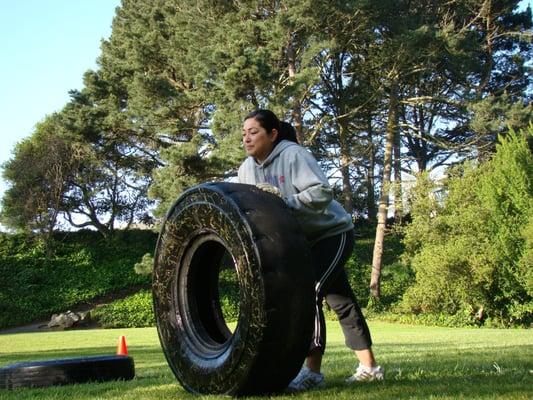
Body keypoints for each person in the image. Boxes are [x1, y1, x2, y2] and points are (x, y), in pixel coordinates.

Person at [238, 109, 384, 392]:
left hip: (332, 233)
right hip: (300, 242)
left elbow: (321, 192)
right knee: (341, 301)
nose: (246, 138)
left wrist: (285, 202)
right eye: (243, 133)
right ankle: (370, 368)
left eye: (253, 132)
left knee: (310, 292)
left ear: (272, 134)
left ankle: (312, 372)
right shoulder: (246, 169)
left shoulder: (294, 155)